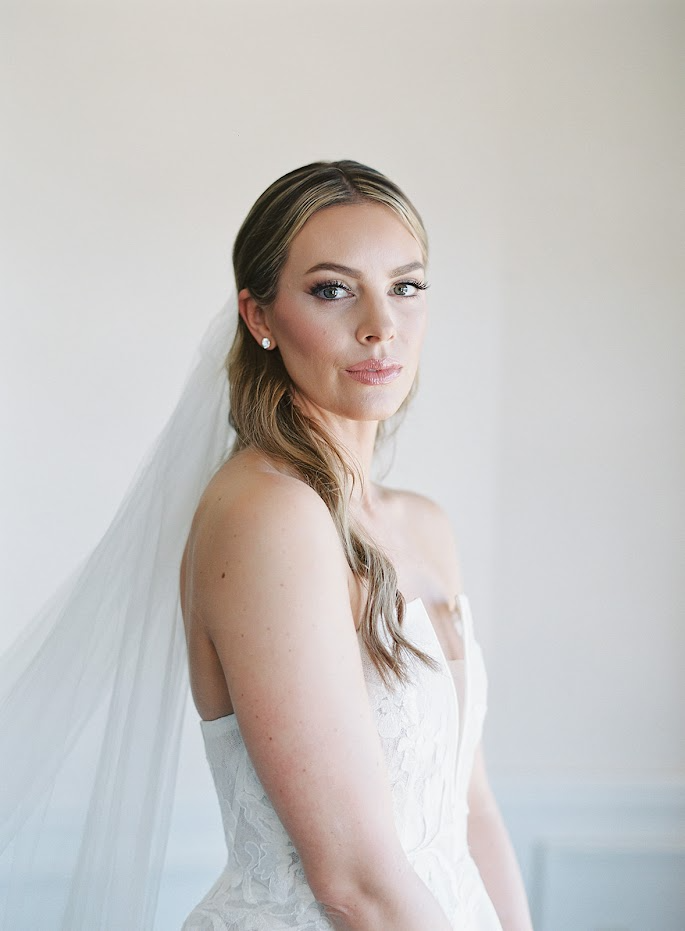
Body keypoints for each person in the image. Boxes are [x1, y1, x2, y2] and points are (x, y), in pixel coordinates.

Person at [178, 161, 533, 931]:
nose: (380, 324)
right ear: (258, 314)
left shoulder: (422, 524)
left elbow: (468, 808)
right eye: (333, 289)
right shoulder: (266, 515)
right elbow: (353, 882)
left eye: (405, 286)